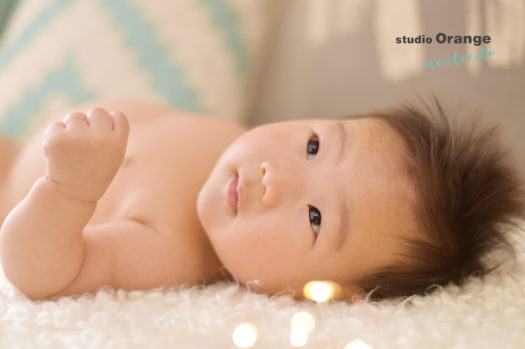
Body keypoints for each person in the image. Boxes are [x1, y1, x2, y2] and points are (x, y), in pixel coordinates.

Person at [0, 97, 523, 302]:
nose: (278, 177)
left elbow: (40, 272)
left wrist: (69, 190)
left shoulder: (170, 250)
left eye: (316, 218)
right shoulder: (233, 137)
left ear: (315, 293)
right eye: (314, 145)